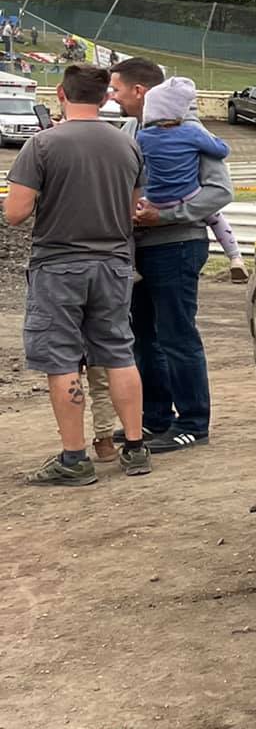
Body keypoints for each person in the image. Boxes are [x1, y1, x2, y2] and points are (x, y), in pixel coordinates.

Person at [3, 63, 152, 485]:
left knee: (62, 357)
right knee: (119, 352)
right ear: (106, 96)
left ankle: (74, 458)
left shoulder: (43, 144)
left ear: (60, 94)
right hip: (114, 264)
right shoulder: (127, 146)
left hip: (59, 265)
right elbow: (131, 210)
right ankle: (135, 449)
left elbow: (15, 214)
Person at [108, 57, 228, 452]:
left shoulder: (193, 132)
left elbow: (219, 192)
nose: (114, 95)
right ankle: (155, 419)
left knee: (176, 335)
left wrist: (167, 215)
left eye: (118, 89)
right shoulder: (130, 130)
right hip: (136, 249)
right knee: (142, 336)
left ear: (140, 91)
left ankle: (194, 421)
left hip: (177, 244)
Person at [135, 76, 247, 280]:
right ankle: (235, 256)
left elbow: (135, 165)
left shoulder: (141, 136)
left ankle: (131, 266)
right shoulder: (192, 132)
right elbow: (222, 150)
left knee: (133, 209)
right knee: (214, 216)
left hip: (154, 199)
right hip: (187, 196)